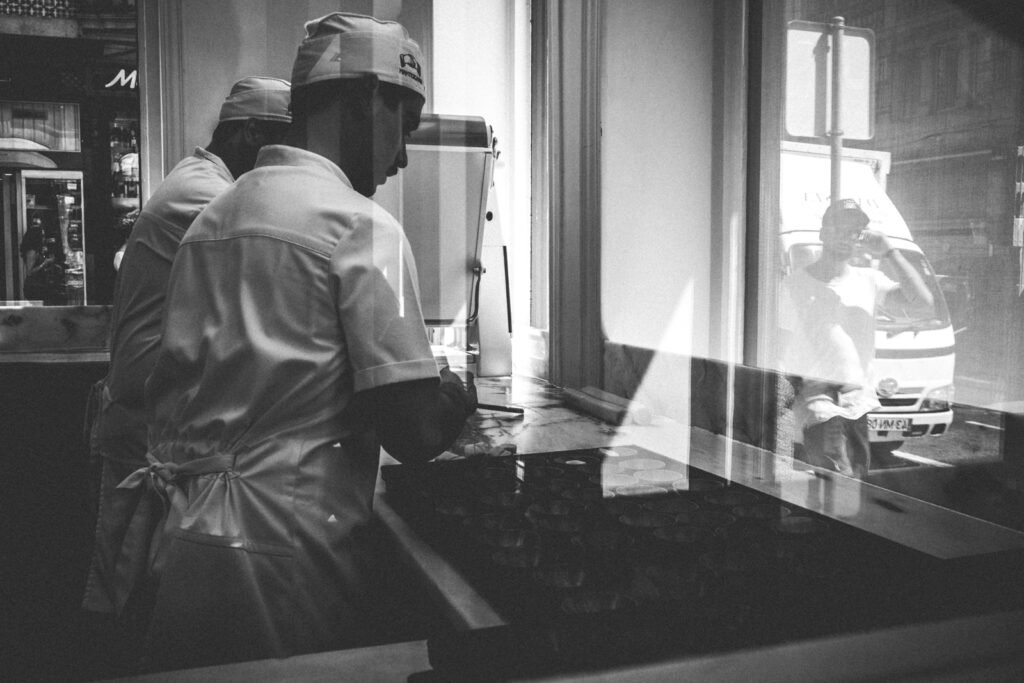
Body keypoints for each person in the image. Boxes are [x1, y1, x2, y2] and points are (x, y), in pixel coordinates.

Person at [134, 13, 476, 670]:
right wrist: (456, 395)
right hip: (287, 557)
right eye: (404, 127)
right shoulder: (362, 229)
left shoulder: (211, 221)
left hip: (183, 541)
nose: (403, 157)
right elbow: (414, 429)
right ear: (366, 97)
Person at [81, 77, 292, 629]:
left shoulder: (202, 180)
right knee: (126, 594)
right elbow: (285, 244)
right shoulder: (207, 194)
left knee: (132, 583)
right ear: (250, 135)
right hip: (142, 422)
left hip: (146, 416)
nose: (291, 163)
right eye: (284, 145)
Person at [779, 198, 933, 478]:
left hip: (859, 403)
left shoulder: (869, 281)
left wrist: (890, 252)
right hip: (818, 404)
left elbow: (923, 304)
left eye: (854, 232)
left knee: (854, 483)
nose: (846, 237)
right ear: (823, 233)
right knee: (838, 480)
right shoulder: (793, 285)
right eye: (839, 228)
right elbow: (779, 347)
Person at [20, 215, 66, 304]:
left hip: (39, 284)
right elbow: (30, 272)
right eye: (42, 235)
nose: (43, 238)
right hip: (34, 286)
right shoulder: (31, 251)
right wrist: (45, 263)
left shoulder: (37, 250)